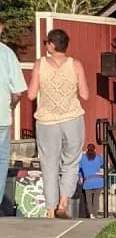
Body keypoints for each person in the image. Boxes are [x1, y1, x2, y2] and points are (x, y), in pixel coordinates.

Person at [27, 28, 89, 218]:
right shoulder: (75, 65)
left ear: (52, 45)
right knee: (71, 162)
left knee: (49, 165)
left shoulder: (40, 64)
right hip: (72, 119)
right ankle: (63, 202)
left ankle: (50, 209)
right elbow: (85, 94)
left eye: (47, 42)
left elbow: (31, 95)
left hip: (47, 121)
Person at [0, 22, 27, 212]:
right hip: (1, 116)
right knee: (1, 162)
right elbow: (18, 91)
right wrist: (11, 105)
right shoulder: (7, 54)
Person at [78, 143, 105, 219]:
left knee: (88, 200)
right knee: (96, 199)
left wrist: (81, 176)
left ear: (87, 149)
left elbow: (79, 169)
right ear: (95, 150)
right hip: (98, 181)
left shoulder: (82, 158)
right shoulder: (99, 157)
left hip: (88, 181)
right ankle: (95, 214)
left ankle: (91, 214)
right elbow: (105, 163)